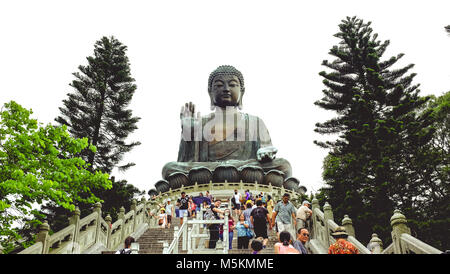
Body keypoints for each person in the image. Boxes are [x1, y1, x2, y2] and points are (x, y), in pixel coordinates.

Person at [161, 65, 293, 181]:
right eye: (219, 85)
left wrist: (265, 154)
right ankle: (228, 170)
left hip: (247, 168)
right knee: (169, 168)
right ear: (210, 92)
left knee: (284, 165)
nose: (225, 89)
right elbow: (185, 162)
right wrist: (187, 131)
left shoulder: (255, 122)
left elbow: (267, 151)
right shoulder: (200, 123)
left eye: (232, 84)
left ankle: (231, 170)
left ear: (242, 91)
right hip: (210, 170)